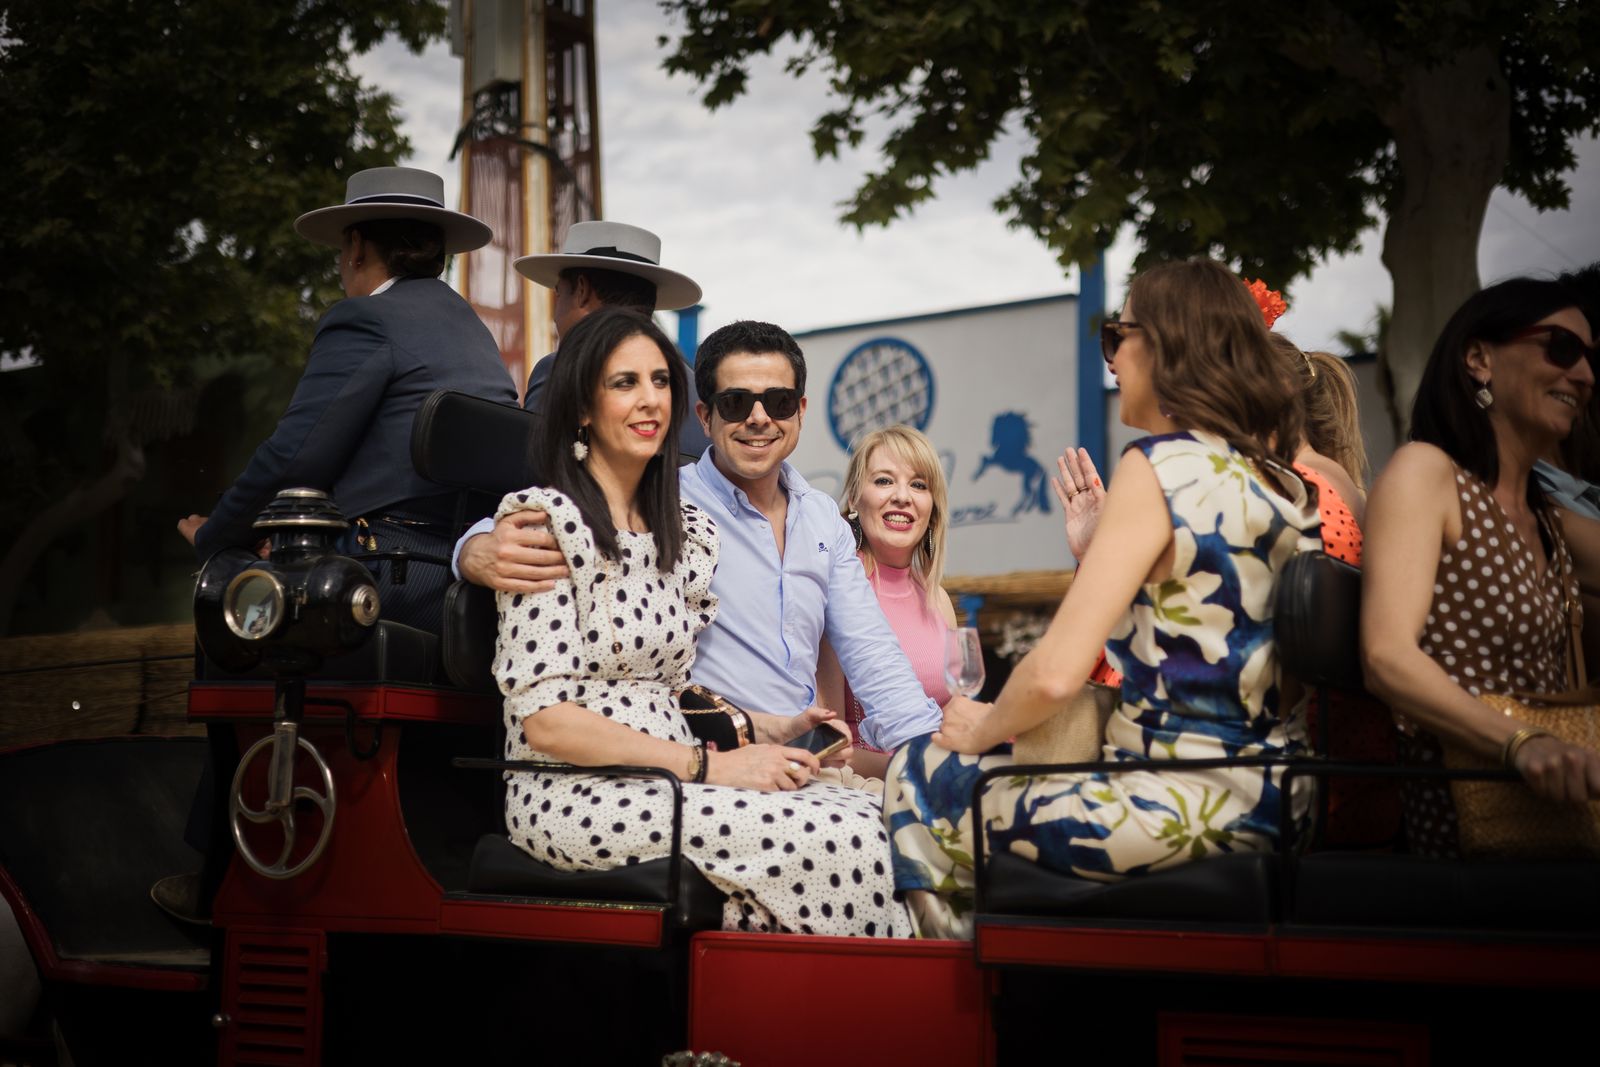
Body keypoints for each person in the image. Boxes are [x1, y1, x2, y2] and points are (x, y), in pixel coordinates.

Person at [884, 258, 1320, 939]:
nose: (1113, 356)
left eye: (1120, 334)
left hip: (1173, 803)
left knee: (923, 771)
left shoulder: (1160, 465)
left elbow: (1056, 671)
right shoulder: (1280, 487)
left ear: (1169, 344)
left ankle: (971, 1000)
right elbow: (1209, 638)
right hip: (1275, 798)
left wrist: (983, 726)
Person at [495, 306, 909, 937]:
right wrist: (709, 766)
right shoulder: (545, 522)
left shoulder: (681, 530)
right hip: (579, 786)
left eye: (660, 381)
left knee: (871, 822)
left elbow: (671, 685)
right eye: (624, 383)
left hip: (684, 767)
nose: (649, 400)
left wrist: (769, 725)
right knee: (834, 840)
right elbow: (546, 723)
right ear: (583, 408)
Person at [455, 320, 954, 756]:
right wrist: (473, 548)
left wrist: (936, 754)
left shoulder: (824, 519)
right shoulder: (665, 500)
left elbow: (874, 656)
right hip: (704, 750)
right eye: (737, 403)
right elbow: (556, 511)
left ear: (800, 411)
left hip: (805, 755)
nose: (759, 418)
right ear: (704, 415)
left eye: (778, 402)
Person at [178, 166, 518, 636]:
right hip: (463, 571)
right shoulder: (473, 330)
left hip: (382, 574)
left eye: (342, 248)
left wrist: (216, 536)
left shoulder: (366, 317)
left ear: (356, 247)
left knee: (225, 586)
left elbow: (295, 457)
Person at [1361, 276, 1600, 857]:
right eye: (1561, 348)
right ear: (1478, 358)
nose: (1585, 376)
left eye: (1592, 359)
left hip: (1552, 826)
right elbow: (1386, 657)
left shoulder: (1547, 516)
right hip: (1468, 828)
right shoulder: (1427, 473)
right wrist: (1522, 743)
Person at [815, 426, 957, 779]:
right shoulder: (840, 592)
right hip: (868, 792)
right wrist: (920, 770)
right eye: (883, 481)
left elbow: (957, 710)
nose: (902, 497)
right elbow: (829, 745)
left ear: (932, 509)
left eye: (919, 485)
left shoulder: (938, 599)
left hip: (936, 776)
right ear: (854, 500)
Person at [512, 219, 709, 455]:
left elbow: (530, 467)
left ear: (582, 290)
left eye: (559, 294)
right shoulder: (693, 386)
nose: (555, 317)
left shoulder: (563, 367)